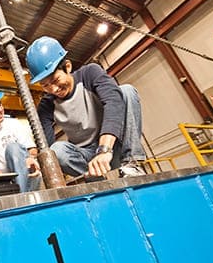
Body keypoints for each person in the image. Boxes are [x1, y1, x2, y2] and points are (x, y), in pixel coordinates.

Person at [28, 36, 146, 179]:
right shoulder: (46, 105)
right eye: (45, 85)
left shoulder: (89, 73)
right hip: (87, 158)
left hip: (113, 144)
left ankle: (131, 163)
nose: (53, 89)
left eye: (56, 80)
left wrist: (104, 149)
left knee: (126, 91)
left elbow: (113, 102)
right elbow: (45, 144)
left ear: (67, 67)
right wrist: (36, 161)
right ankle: (96, 178)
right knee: (56, 151)